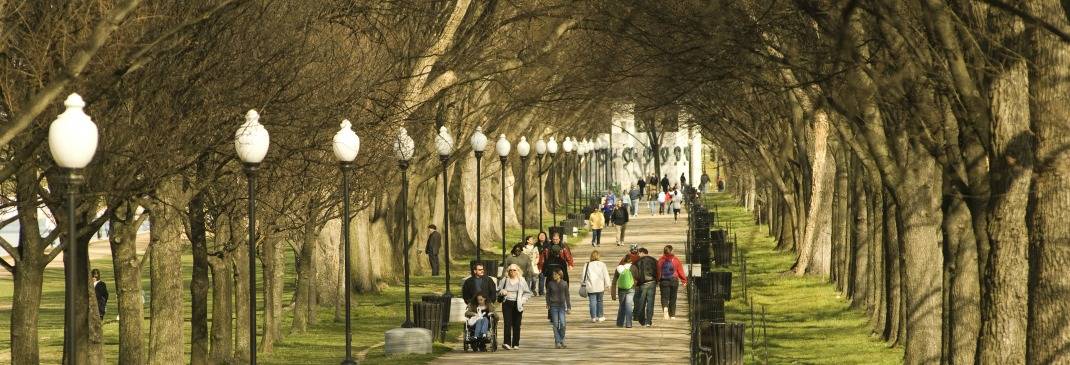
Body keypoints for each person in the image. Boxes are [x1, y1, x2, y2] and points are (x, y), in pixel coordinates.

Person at [497, 263, 533, 350]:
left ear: (518, 271)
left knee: (516, 324)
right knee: (507, 323)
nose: (512, 272)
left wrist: (522, 300)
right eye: (510, 270)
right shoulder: (504, 280)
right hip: (507, 303)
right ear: (508, 271)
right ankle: (507, 343)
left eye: (514, 270)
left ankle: (516, 343)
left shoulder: (521, 280)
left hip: (518, 304)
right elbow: (498, 290)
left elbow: (528, 292)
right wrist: (502, 291)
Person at [657, 245, 688, 320]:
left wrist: (657, 280)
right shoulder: (676, 260)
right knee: (673, 298)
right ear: (671, 251)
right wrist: (684, 280)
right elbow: (680, 271)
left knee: (664, 297)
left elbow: (658, 271)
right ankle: (673, 315)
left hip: (664, 281)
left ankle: (665, 308)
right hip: (674, 280)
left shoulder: (661, 260)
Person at [581, 250, 611, 322]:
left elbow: (583, 276)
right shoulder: (602, 264)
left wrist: (582, 283)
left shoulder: (587, 264)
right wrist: (608, 284)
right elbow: (606, 275)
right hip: (600, 286)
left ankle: (593, 317)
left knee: (592, 302)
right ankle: (600, 316)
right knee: (600, 301)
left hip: (590, 286)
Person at [545, 268, 572, 348]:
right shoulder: (550, 283)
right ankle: (558, 342)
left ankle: (561, 339)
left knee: (563, 324)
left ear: (559, 275)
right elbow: (547, 294)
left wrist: (569, 307)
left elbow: (567, 295)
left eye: (555, 274)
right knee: (555, 324)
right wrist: (548, 303)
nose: (553, 276)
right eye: (553, 274)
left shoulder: (564, 283)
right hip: (553, 306)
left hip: (562, 306)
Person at [633, 248, 659, 327]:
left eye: (639, 253)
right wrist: (657, 281)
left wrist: (636, 283)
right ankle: (648, 321)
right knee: (650, 303)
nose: (638, 255)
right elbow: (658, 271)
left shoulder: (637, 262)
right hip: (652, 283)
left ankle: (642, 320)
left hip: (642, 284)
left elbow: (635, 274)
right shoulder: (654, 260)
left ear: (642, 253)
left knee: (642, 302)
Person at [611, 259, 638, 328]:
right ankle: (629, 324)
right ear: (631, 261)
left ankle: (620, 323)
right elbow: (637, 278)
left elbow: (614, 281)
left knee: (622, 306)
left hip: (621, 289)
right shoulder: (634, 267)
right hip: (631, 288)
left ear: (623, 261)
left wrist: (613, 294)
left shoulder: (619, 268)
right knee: (629, 306)